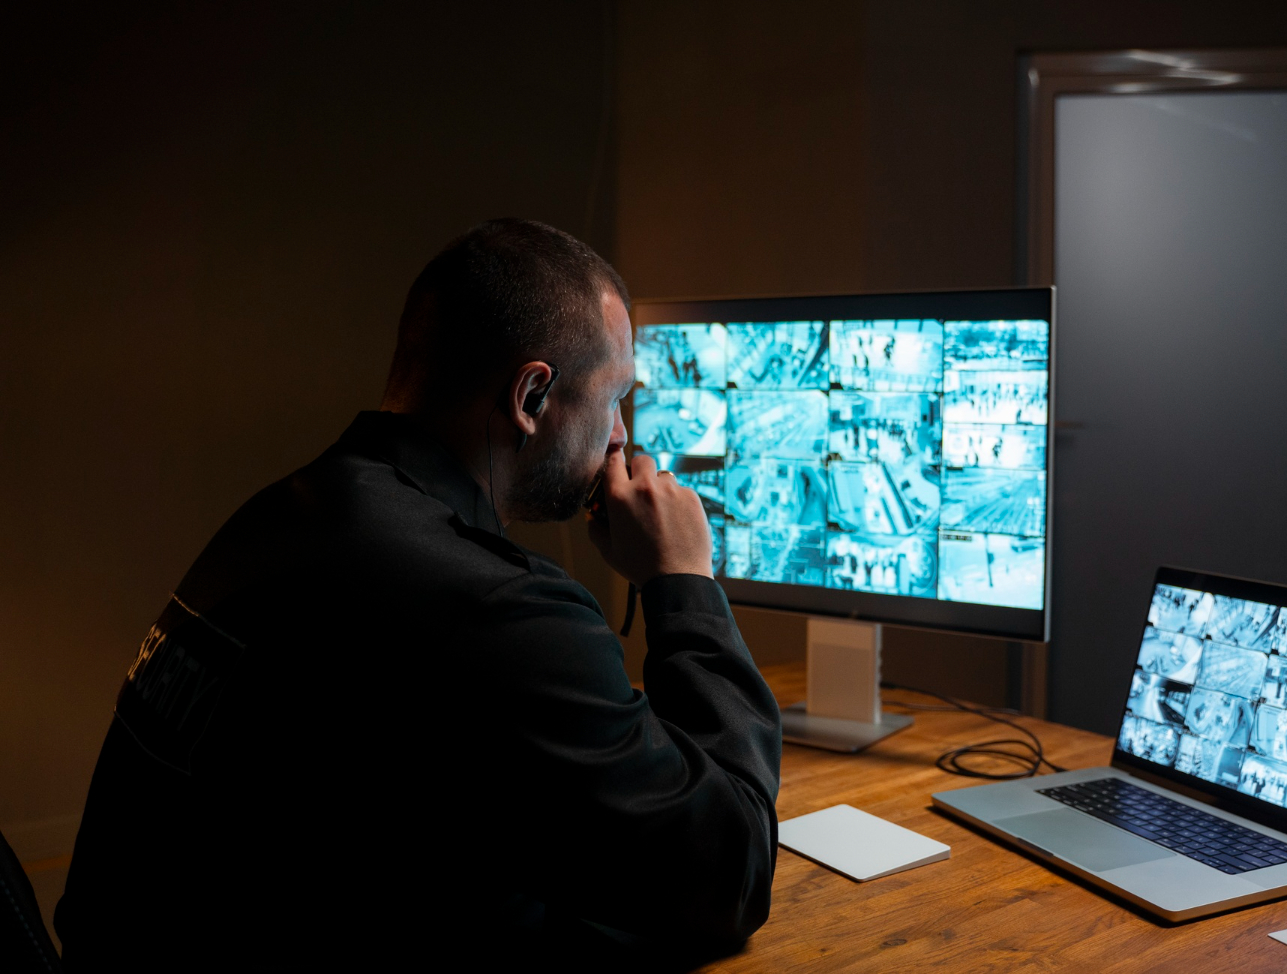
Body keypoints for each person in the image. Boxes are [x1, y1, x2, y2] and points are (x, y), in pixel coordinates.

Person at [55, 219, 782, 970]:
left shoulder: (284, 516)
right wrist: (682, 582)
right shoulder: (492, 608)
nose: (621, 436)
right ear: (532, 395)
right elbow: (730, 876)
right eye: (614, 398)